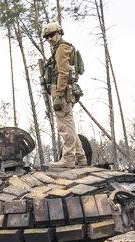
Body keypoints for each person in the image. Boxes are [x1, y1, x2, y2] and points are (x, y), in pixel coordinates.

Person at [42, 21, 87, 168]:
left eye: (51, 35)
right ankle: (80, 158)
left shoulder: (62, 48)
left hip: (61, 90)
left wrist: (58, 95)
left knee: (64, 126)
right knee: (69, 125)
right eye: (46, 37)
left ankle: (68, 158)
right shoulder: (60, 48)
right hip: (63, 89)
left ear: (60, 33)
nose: (49, 39)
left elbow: (63, 72)